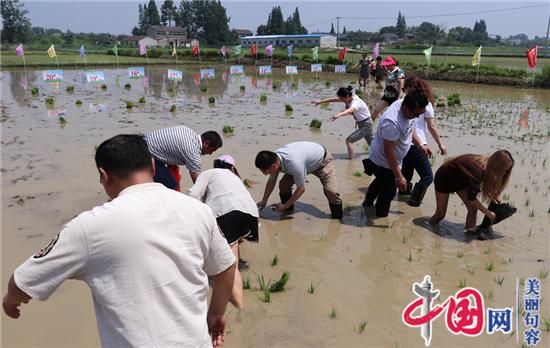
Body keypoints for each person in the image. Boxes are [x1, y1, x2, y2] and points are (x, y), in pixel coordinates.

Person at [3, 134, 236, 348]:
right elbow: (227, 266)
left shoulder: (88, 226)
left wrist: (10, 301)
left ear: (104, 175)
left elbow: (23, 282)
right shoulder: (198, 210)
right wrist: (215, 313)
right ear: (153, 166)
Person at [188, 155, 259, 310]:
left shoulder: (209, 173)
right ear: (233, 168)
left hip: (228, 212)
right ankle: (238, 302)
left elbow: (193, 194)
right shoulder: (235, 178)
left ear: (215, 164)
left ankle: (239, 307)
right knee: (234, 250)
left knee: (230, 264)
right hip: (251, 214)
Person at [362, 88, 430, 217]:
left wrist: (420, 145)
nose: (417, 117)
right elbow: (389, 152)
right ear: (405, 108)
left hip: (392, 159)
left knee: (379, 182)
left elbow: (411, 128)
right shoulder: (392, 123)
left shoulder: (407, 106)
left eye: (419, 114)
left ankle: (367, 204)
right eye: (416, 114)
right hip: (383, 161)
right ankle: (380, 220)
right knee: (388, 191)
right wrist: (399, 177)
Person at [429, 150, 515, 231]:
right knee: (440, 214)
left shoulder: (488, 167)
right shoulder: (478, 170)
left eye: (507, 170)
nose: (505, 173)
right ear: (497, 165)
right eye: (505, 169)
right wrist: (488, 213)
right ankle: (428, 227)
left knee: (473, 210)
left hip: (461, 180)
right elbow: (472, 198)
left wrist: (495, 196)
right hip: (444, 177)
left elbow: (485, 185)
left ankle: (468, 234)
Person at [255, 141, 343, 219]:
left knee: (331, 192)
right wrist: (264, 200)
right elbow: (271, 181)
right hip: (306, 162)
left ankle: (337, 219)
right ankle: (287, 210)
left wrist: (285, 205)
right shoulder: (274, 159)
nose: (264, 173)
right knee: (283, 185)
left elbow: (301, 189)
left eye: (264, 171)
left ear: (274, 166)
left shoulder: (294, 164)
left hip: (322, 162)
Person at [399, 76, 447, 206]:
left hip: (405, 143)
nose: (404, 91)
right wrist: (440, 144)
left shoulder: (405, 102)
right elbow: (431, 126)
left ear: (412, 88)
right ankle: (413, 204)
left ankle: (402, 202)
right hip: (417, 145)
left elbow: (431, 126)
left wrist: (439, 144)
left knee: (406, 176)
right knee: (427, 177)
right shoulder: (425, 103)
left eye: (405, 88)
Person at [144, 125, 223, 191]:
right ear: (206, 143)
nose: (210, 154)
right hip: (145, 155)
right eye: (211, 150)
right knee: (172, 186)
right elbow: (198, 184)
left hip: (142, 143)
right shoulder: (193, 153)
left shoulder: (189, 132)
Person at [311, 85, 373, 159]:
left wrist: (339, 114)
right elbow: (334, 99)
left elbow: (351, 110)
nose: (341, 100)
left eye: (341, 99)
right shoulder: (350, 97)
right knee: (373, 144)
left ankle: (351, 161)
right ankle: (382, 154)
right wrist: (320, 102)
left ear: (346, 96)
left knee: (349, 140)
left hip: (366, 125)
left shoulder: (355, 102)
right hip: (365, 123)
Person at [370, 56, 405, 121]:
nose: (387, 67)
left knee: (396, 116)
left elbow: (401, 85)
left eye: (388, 65)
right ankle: (368, 127)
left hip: (396, 97)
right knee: (376, 111)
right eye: (386, 65)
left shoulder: (399, 71)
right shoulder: (389, 72)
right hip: (387, 96)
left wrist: (400, 97)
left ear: (393, 64)